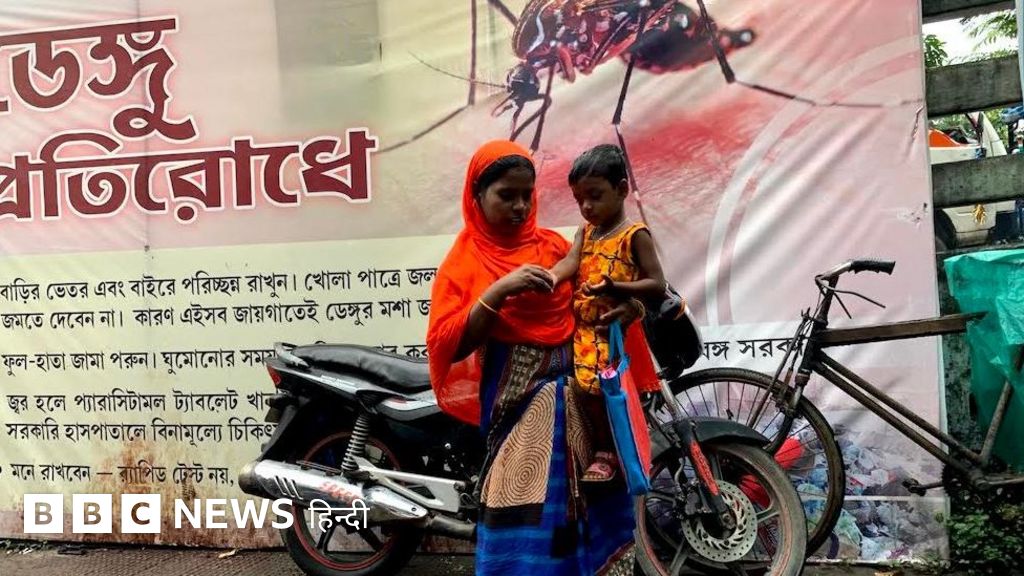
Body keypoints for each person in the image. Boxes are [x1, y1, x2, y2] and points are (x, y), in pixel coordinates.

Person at [426, 140, 640, 575]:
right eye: (507, 195)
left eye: (527, 194)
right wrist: (500, 290)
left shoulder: (555, 248)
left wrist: (630, 306)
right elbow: (450, 344)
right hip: (516, 411)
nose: (521, 206)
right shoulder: (464, 262)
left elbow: (601, 295)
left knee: (590, 511)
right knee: (521, 511)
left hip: (583, 408)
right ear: (476, 196)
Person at [548, 144, 665, 483]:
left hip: (616, 332)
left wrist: (618, 287)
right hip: (584, 331)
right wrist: (552, 276)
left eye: (595, 196)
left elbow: (657, 284)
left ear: (622, 189)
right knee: (585, 392)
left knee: (610, 393)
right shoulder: (585, 232)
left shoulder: (635, 235)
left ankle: (612, 453)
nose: (586, 206)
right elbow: (572, 261)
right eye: (579, 199)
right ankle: (601, 449)